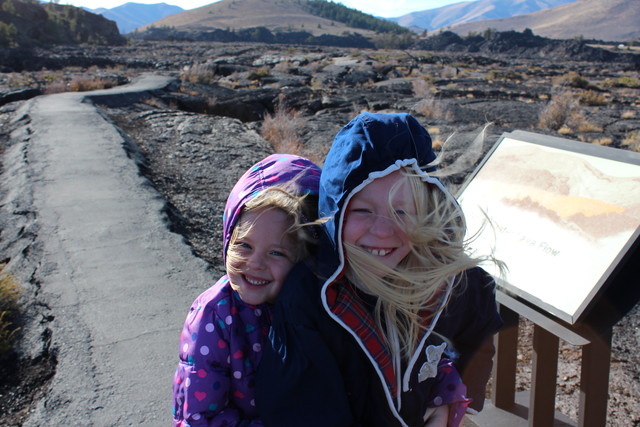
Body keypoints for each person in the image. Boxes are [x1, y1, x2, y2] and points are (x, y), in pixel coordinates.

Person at [256, 112, 503, 427]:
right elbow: (300, 408)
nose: (383, 230)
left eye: (402, 210)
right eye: (362, 210)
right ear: (335, 213)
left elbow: (474, 340)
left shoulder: (453, 285)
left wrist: (450, 398)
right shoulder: (311, 301)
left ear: (429, 213)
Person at [172, 154, 321, 427]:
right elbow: (200, 418)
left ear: (304, 262)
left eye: (277, 252)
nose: (255, 263)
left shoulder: (316, 305)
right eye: (244, 245)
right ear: (228, 238)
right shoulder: (215, 315)